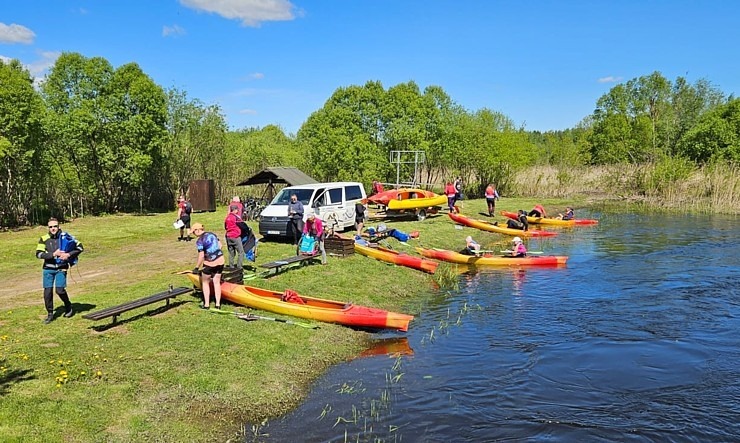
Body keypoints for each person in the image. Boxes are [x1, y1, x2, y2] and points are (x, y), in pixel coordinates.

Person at [36, 218, 84, 324]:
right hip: (48, 269)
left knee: (60, 290)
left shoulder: (66, 236)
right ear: (48, 228)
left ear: (59, 227)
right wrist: (53, 254)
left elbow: (80, 247)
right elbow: (38, 254)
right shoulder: (44, 238)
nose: (53, 228)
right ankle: (50, 314)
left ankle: (68, 306)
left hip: (61, 268)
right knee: (47, 293)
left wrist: (68, 254)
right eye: (51, 227)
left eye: (55, 226)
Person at [191, 223, 225, 310]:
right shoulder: (212, 234)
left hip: (210, 263)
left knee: (205, 283)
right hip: (220, 261)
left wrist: (197, 267)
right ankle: (217, 304)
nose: (194, 235)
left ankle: (206, 304)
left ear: (198, 230)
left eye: (194, 232)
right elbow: (220, 245)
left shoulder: (200, 241)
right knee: (217, 283)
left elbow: (201, 255)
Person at [224, 205, 245, 270]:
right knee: (241, 252)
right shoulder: (236, 217)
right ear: (235, 210)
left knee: (231, 252)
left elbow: (225, 226)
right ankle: (239, 266)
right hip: (235, 236)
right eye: (237, 210)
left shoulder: (227, 217)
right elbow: (242, 225)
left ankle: (231, 266)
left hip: (228, 236)